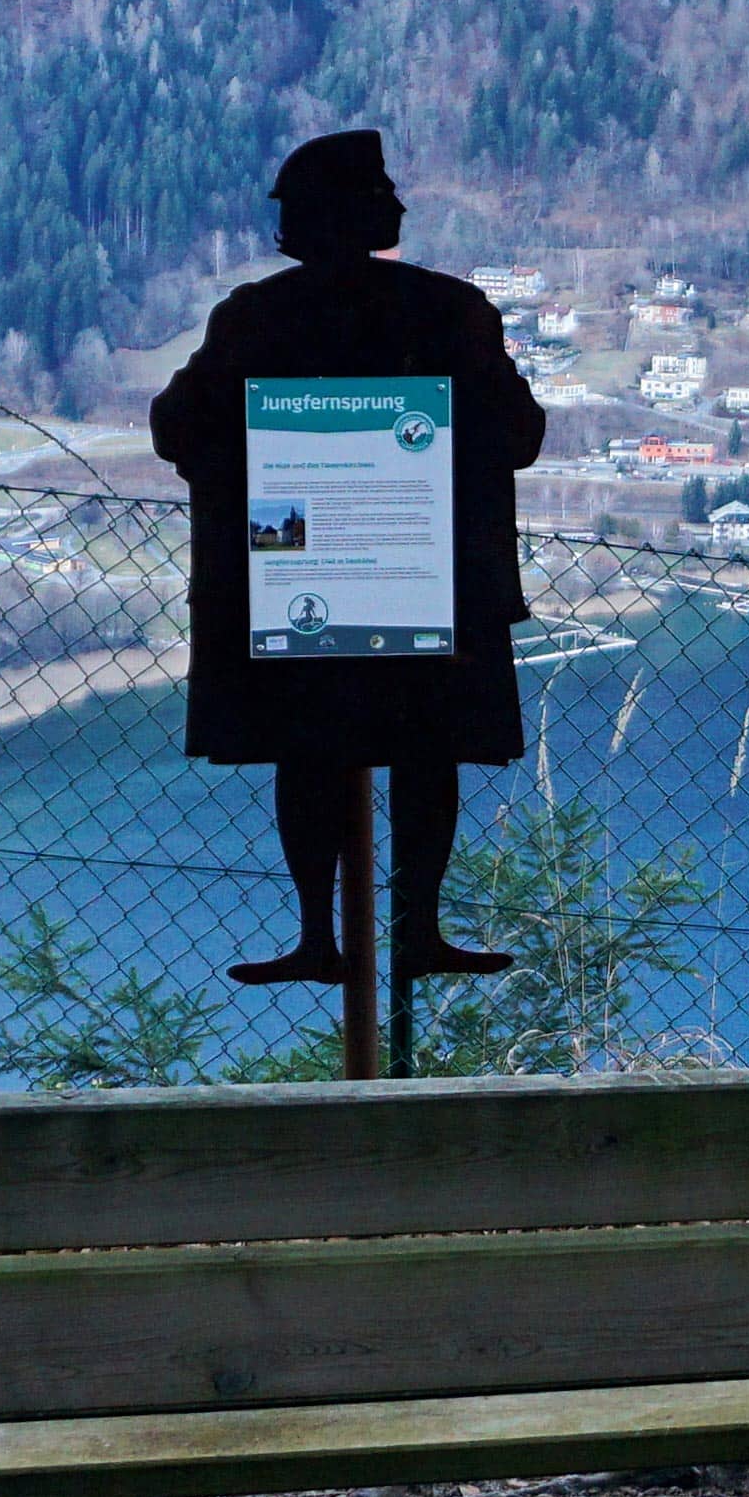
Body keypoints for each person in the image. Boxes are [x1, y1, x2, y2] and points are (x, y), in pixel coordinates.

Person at [148, 131, 549, 988]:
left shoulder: (255, 315)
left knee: (307, 749)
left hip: (292, 574)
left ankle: (315, 936)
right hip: (423, 577)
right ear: (370, 212)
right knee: (426, 748)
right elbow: (521, 436)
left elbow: (175, 428)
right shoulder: (453, 311)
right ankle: (419, 931)